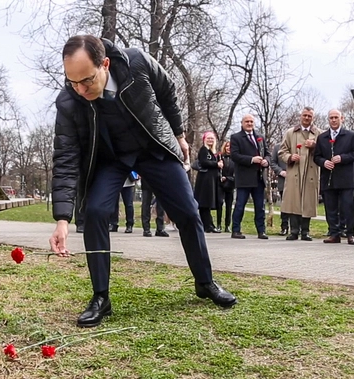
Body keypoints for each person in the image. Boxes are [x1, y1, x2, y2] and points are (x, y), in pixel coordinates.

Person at [48, 35, 236, 328]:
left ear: (105, 64)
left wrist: (178, 134)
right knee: (96, 212)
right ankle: (101, 297)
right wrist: (62, 218)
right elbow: (65, 158)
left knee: (188, 212)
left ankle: (205, 282)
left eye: (86, 81)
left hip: (153, 148)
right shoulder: (69, 102)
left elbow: (167, 90)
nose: (80, 89)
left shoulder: (137, 63)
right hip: (110, 158)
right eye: (72, 82)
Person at [278, 107, 321, 241]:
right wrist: (290, 157)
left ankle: (305, 232)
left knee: (307, 201)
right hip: (294, 171)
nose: (307, 118)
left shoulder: (319, 133)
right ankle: (294, 231)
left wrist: (314, 146)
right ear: (300, 116)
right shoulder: (291, 132)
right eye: (305, 115)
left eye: (309, 116)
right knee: (293, 201)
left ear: (313, 118)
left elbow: (324, 152)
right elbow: (282, 151)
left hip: (311, 172)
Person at [313, 109, 354, 244]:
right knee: (330, 208)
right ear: (328, 120)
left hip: (347, 179)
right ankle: (334, 234)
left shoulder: (350, 136)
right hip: (328, 178)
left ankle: (350, 234)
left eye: (336, 117)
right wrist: (323, 162)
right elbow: (316, 157)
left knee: (348, 207)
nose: (334, 120)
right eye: (331, 118)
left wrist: (342, 158)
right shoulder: (322, 137)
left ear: (342, 119)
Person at [230, 114, 271, 240]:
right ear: (242, 123)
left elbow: (267, 153)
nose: (249, 124)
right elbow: (235, 156)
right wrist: (251, 159)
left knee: (260, 206)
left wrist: (266, 161)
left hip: (258, 177)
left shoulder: (260, 137)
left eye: (251, 121)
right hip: (244, 177)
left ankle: (261, 231)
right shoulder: (236, 137)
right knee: (240, 205)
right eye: (247, 121)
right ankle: (236, 230)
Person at [193, 132, 223, 233]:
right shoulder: (204, 150)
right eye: (208, 138)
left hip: (211, 180)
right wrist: (216, 164)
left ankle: (209, 224)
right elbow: (204, 162)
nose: (210, 140)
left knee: (207, 203)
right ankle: (207, 225)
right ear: (204, 139)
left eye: (212, 139)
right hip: (205, 180)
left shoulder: (211, 152)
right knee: (204, 203)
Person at [270, 142, 290, 235]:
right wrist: (280, 171)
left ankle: (299, 227)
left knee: (299, 205)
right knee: (285, 205)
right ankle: (284, 227)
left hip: (297, 179)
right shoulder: (278, 147)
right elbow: (272, 162)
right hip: (283, 180)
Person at [217, 141, 235, 233]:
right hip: (220, 184)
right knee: (219, 204)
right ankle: (219, 224)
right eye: (227, 146)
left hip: (230, 184)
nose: (228, 148)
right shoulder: (220, 157)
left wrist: (227, 178)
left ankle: (227, 225)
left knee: (229, 206)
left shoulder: (235, 159)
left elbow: (236, 174)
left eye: (230, 146)